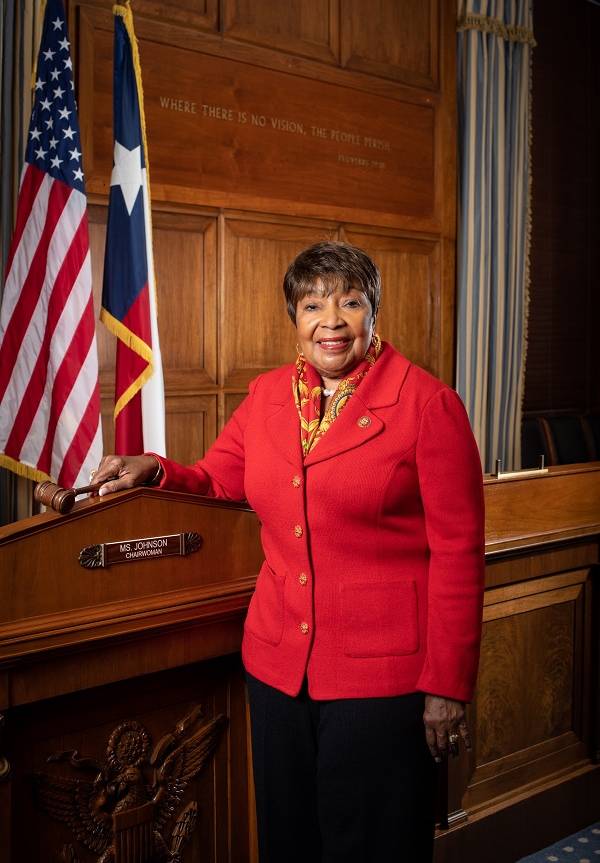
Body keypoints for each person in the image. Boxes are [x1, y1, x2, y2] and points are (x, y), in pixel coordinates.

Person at [92, 241, 486, 862]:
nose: (331, 321)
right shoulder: (268, 396)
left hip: (381, 683)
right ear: (295, 322)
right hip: (279, 671)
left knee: (371, 849)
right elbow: (220, 479)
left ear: (372, 314)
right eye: (313, 305)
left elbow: (460, 552)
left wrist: (449, 685)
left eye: (349, 303)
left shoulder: (428, 406)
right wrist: (156, 470)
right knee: (288, 843)